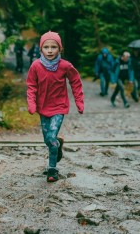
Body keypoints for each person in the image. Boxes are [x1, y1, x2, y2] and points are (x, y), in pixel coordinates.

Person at [26, 31, 84, 182]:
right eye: (46, 47)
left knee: (51, 137)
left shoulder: (65, 66)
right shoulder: (36, 66)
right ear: (41, 49)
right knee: (48, 140)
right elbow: (31, 85)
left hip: (59, 107)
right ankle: (58, 144)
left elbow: (76, 82)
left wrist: (79, 101)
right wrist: (31, 103)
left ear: (60, 49)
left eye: (53, 47)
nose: (50, 50)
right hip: (43, 108)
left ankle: (52, 169)